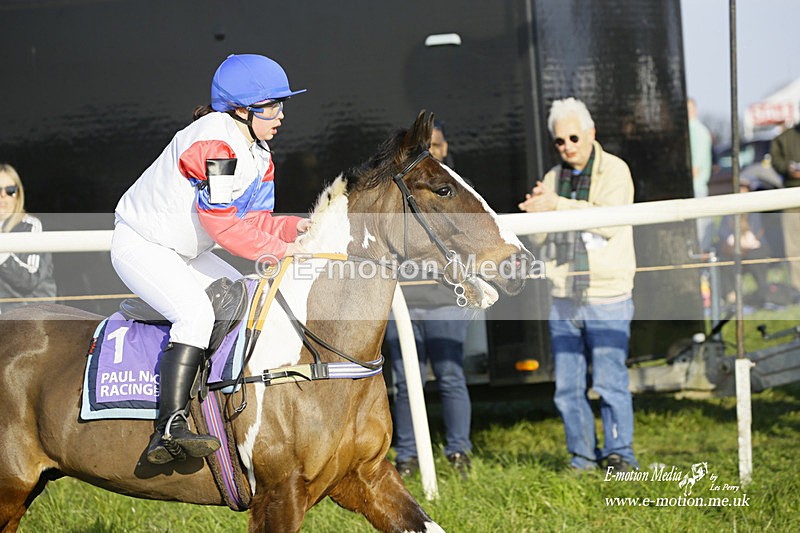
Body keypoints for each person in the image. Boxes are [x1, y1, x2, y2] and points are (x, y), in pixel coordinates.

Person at [111, 54, 311, 464]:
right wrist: (281, 249)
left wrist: (297, 229)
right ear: (242, 109)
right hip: (142, 245)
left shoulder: (260, 155)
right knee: (198, 317)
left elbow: (256, 222)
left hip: (182, 253)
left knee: (246, 294)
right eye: (272, 105)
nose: (281, 115)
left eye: (282, 105)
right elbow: (222, 228)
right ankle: (168, 430)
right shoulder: (216, 143)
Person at [518, 97, 638, 472]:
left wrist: (555, 206)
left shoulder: (616, 171)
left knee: (610, 381)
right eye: (559, 141)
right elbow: (541, 242)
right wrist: (534, 215)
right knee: (567, 388)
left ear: (591, 133)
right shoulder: (553, 180)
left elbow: (608, 222)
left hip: (608, 293)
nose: (567, 146)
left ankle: (620, 455)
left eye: (573, 137)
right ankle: (582, 457)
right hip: (564, 295)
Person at [386, 121, 473, 479]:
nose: (431, 152)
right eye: (423, 147)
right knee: (406, 382)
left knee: (451, 375)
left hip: (445, 298)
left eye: (435, 145)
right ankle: (406, 456)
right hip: (403, 301)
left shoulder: (460, 192)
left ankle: (459, 453)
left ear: (445, 147)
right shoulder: (397, 195)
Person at [0, 164, 57, 313]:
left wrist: (2, 252)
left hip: (30, 318)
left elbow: (29, 279)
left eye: (10, 190)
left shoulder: (30, 225)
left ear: (18, 194)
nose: (3, 196)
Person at [715, 178, 774, 310]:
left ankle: (763, 292)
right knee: (724, 259)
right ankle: (730, 295)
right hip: (734, 251)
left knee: (756, 256)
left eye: (744, 187)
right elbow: (724, 237)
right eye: (739, 187)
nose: (741, 190)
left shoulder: (754, 211)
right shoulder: (729, 213)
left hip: (753, 250)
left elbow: (758, 236)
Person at [769, 119, 800, 299]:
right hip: (791, 199)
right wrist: (788, 169)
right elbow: (776, 160)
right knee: (794, 248)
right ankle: (798, 288)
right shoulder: (784, 138)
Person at [687, 98, 713, 251]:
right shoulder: (693, 130)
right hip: (694, 190)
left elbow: (696, 168)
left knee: (701, 233)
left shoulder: (699, 132)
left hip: (696, 189)